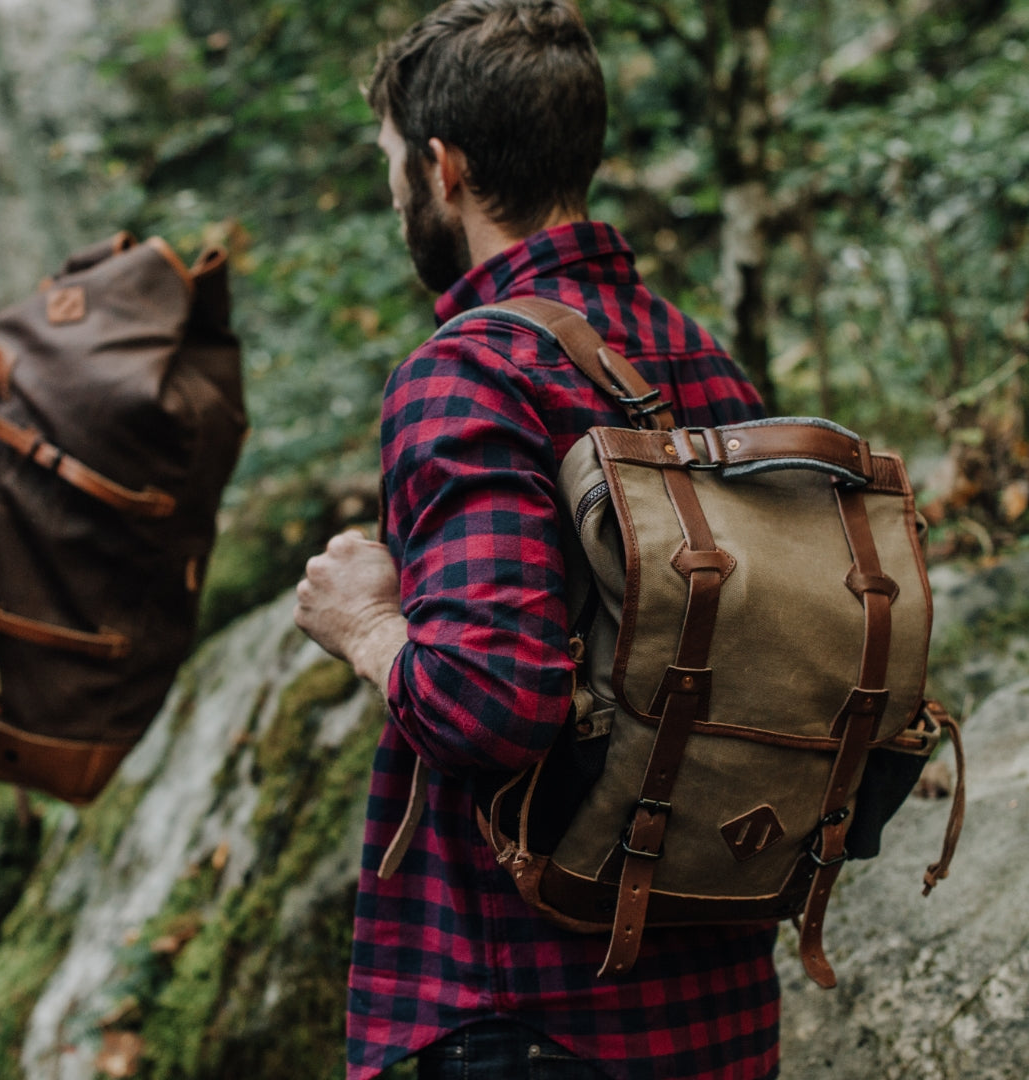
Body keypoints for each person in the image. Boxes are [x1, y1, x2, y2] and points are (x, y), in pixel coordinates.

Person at [293, 2, 778, 1077]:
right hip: (723, 1011)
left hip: (539, 1015)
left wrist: (366, 625)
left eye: (391, 166)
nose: (393, 194)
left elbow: (488, 701)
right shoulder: (697, 358)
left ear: (443, 166)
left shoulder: (467, 374)